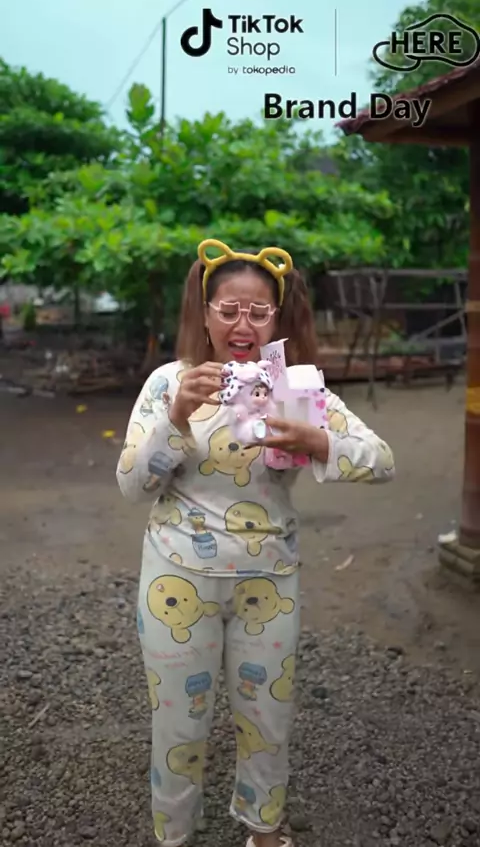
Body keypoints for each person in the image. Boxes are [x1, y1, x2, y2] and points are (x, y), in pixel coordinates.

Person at [116, 238, 395, 847]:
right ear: (205, 313)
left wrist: (316, 440)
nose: (242, 325)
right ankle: (173, 833)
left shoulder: (296, 388)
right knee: (179, 726)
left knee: (267, 720)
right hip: (177, 580)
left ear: (277, 316)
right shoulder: (170, 382)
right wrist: (177, 417)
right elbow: (132, 484)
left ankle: (264, 829)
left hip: (269, 583)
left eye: (258, 311)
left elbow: (382, 460)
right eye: (228, 310)